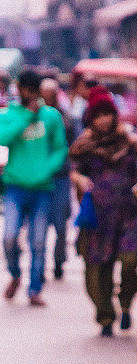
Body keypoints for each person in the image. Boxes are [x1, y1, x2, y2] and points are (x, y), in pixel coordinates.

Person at [0, 70, 68, 307]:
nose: (28, 95)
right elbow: (2, 138)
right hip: (15, 187)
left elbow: (60, 148)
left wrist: (48, 169)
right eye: (25, 90)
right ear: (18, 90)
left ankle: (35, 289)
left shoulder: (52, 117)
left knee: (38, 241)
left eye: (33, 91)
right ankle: (15, 273)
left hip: (43, 188)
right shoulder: (7, 115)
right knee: (9, 237)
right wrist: (26, 116)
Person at [69, 86, 137, 337]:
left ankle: (126, 303)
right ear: (91, 118)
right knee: (98, 271)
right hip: (98, 215)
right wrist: (79, 179)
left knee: (132, 262)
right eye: (98, 115)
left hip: (129, 213)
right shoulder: (83, 146)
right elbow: (74, 169)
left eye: (108, 114)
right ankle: (106, 315)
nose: (104, 119)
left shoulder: (129, 142)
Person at [40, 78, 75, 280]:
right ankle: (40, 266)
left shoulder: (66, 118)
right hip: (39, 179)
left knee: (61, 225)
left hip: (61, 177)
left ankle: (59, 261)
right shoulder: (34, 117)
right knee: (40, 225)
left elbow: (73, 145)